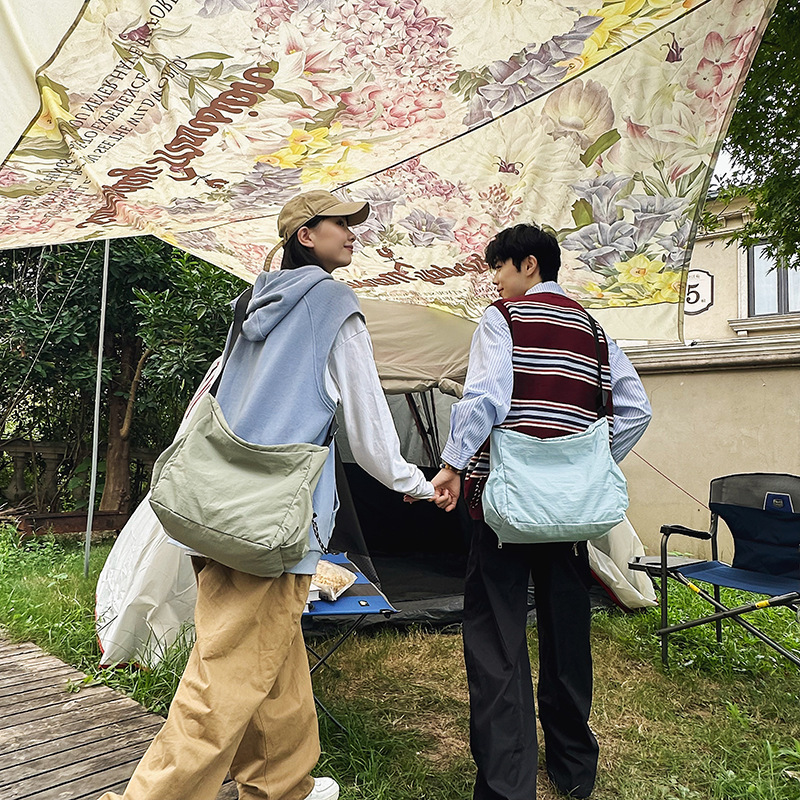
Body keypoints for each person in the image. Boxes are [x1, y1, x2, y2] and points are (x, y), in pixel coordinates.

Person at [99, 190, 439, 800]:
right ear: (306, 235)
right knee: (221, 679)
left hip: (219, 505)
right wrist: (415, 483)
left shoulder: (251, 302)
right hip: (277, 517)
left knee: (275, 659)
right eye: (342, 224)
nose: (353, 234)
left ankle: (284, 785)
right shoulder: (334, 303)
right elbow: (366, 426)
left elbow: (222, 402)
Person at [430, 223, 651, 799]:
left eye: (498, 268)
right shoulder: (595, 330)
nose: (495, 282)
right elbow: (635, 410)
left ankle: (508, 784)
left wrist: (452, 463)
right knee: (567, 635)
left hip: (504, 510)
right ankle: (575, 771)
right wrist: (586, 464)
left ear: (528, 265)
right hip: (570, 515)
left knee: (499, 641)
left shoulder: (503, 320)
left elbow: (484, 399)